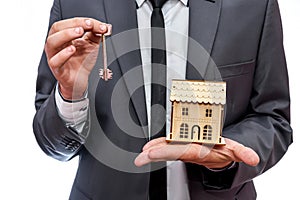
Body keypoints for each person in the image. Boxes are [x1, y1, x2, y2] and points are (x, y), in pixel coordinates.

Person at [33, 0, 292, 199]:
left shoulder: (255, 5)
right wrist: (70, 95)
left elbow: (273, 118)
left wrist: (226, 159)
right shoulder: (74, 5)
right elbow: (51, 143)